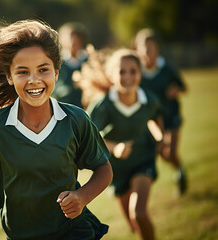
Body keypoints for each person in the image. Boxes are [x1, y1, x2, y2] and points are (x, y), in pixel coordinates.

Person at [0, 13, 113, 240]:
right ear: (9, 77)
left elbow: (104, 169)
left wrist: (82, 197)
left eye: (43, 69)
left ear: (56, 73)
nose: (34, 80)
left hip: (73, 231)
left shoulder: (76, 120)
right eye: (22, 71)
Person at [84, 49, 163, 240]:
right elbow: (89, 136)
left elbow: (156, 117)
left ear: (140, 73)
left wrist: (161, 139)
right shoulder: (103, 104)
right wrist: (115, 148)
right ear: (112, 75)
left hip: (143, 161)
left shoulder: (148, 100)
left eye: (133, 71)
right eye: (121, 72)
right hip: (114, 169)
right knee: (134, 224)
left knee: (140, 213)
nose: (127, 76)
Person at [134, 28, 188, 195]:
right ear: (137, 48)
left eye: (150, 47)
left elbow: (183, 88)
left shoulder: (167, 68)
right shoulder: (136, 71)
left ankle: (180, 171)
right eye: (143, 47)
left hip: (171, 115)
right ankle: (179, 169)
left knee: (171, 151)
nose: (147, 51)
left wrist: (175, 91)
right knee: (163, 153)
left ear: (157, 48)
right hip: (152, 120)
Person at [52, 22, 90, 108]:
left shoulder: (88, 60)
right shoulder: (57, 61)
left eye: (76, 37)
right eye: (70, 37)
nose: (73, 41)